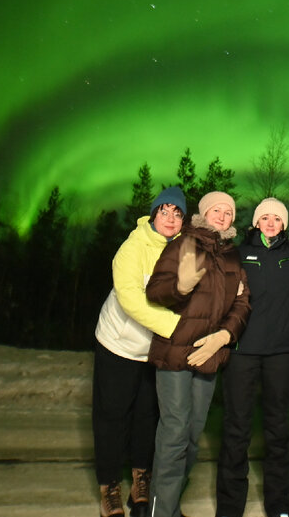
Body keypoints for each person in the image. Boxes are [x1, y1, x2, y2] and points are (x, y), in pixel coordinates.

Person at [145, 191, 251, 517]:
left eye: (228, 212)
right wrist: (180, 286)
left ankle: (170, 502)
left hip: (209, 355)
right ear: (204, 213)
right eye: (216, 210)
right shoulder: (183, 244)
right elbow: (154, 290)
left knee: (192, 436)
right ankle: (160, 511)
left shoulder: (233, 256)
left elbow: (242, 302)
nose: (222, 215)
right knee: (175, 432)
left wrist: (225, 334)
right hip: (176, 351)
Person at [91, 186, 188, 517]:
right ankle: (109, 487)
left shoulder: (183, 251)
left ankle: (140, 480)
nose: (171, 218)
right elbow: (132, 300)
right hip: (118, 344)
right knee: (113, 417)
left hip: (153, 351)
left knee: (148, 416)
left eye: (178, 214)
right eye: (166, 211)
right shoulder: (132, 248)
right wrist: (178, 328)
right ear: (154, 213)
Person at [216, 197, 289, 517]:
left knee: (278, 431)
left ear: (284, 224)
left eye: (276, 218)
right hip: (242, 353)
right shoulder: (238, 253)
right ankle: (229, 507)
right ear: (255, 222)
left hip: (280, 352)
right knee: (236, 429)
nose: (270, 222)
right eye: (264, 217)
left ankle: (280, 507)